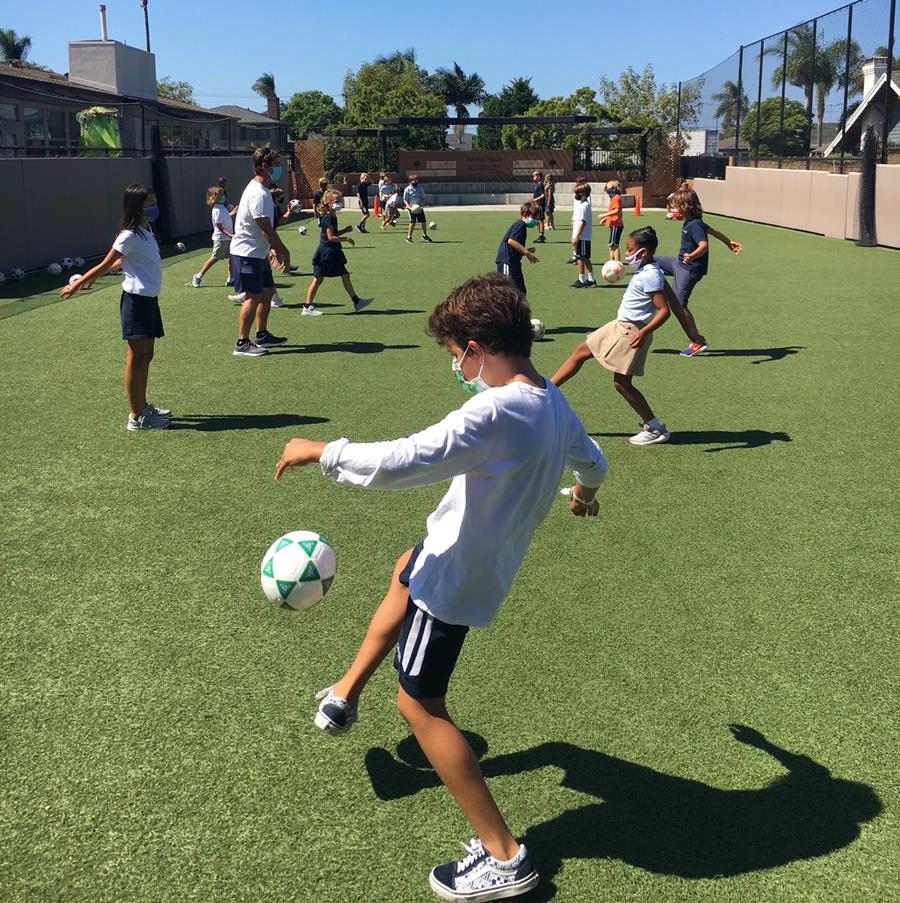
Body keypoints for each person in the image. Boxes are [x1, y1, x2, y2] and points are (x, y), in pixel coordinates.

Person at [275, 273, 607, 902]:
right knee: (407, 564)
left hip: (456, 580)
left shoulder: (495, 410)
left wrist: (319, 450)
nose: (458, 368)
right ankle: (344, 693)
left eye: (458, 356)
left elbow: (404, 461)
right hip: (458, 553)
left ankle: (504, 856)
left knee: (419, 705)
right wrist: (584, 495)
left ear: (478, 347)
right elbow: (594, 461)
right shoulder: (552, 403)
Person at [60, 183, 170, 431]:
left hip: (149, 299)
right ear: (136, 206)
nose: (154, 208)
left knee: (147, 355)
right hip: (136, 301)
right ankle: (135, 416)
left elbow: (121, 262)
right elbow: (105, 263)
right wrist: (78, 284)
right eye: (149, 204)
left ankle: (143, 406)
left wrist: (97, 277)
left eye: (154, 203)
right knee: (136, 357)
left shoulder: (146, 230)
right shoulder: (128, 235)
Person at [551, 226, 671, 446]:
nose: (626, 255)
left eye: (629, 250)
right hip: (619, 325)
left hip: (631, 332)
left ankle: (655, 427)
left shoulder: (652, 274)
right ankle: (545, 392)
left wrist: (644, 332)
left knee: (621, 384)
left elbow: (664, 311)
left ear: (643, 252)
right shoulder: (647, 270)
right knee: (580, 351)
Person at [655, 187, 742, 357]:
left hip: (689, 268)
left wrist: (691, 256)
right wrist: (728, 242)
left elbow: (704, 245)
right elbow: (713, 231)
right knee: (650, 261)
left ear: (685, 207)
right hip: (678, 263)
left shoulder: (694, 225)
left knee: (679, 304)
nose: (673, 211)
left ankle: (697, 341)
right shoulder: (695, 221)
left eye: (675, 207)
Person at [228, 146, 290, 357]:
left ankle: (261, 335)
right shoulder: (258, 194)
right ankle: (242, 343)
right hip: (247, 253)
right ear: (264, 167)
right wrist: (282, 250)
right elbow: (265, 228)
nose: (280, 168)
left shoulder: (261, 190)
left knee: (268, 291)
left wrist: (270, 249)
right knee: (253, 296)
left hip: (257, 252)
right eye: (276, 164)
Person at [302, 189, 372, 317]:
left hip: (332, 251)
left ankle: (357, 302)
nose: (339, 202)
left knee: (343, 275)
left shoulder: (331, 215)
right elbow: (330, 237)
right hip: (327, 252)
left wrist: (344, 230)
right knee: (318, 279)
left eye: (340, 200)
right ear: (328, 202)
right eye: (336, 200)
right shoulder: (328, 216)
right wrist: (346, 239)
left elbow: (333, 233)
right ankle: (307, 307)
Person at [495, 201, 541, 298]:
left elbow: (514, 244)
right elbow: (511, 241)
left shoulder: (522, 226)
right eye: (535, 217)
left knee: (520, 291)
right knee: (507, 291)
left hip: (514, 263)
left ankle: (518, 311)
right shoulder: (520, 225)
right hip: (507, 261)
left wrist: (525, 250)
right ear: (525, 215)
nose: (536, 221)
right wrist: (527, 253)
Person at [192, 186, 233, 289]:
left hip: (228, 238)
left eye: (224, 194)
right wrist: (229, 235)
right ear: (215, 197)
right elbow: (219, 226)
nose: (224, 196)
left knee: (233, 258)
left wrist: (234, 212)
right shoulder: (217, 210)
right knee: (215, 258)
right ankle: (199, 276)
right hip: (221, 239)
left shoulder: (223, 208)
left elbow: (226, 217)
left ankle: (230, 279)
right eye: (221, 195)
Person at [570, 181, 596, 288]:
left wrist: (577, 236)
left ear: (584, 193)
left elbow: (583, 222)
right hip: (581, 236)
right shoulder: (581, 205)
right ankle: (588, 279)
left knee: (582, 258)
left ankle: (585, 279)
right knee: (581, 257)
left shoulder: (585, 206)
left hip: (583, 237)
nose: (576, 195)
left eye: (579, 193)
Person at [600, 180, 624, 262]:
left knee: (614, 246)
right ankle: (612, 262)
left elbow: (616, 210)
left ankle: (616, 264)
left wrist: (604, 215)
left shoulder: (616, 198)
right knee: (611, 246)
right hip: (613, 224)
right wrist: (606, 219)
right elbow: (614, 212)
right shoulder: (613, 198)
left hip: (616, 225)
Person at [403, 175, 432, 243]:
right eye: (414, 181)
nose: (416, 182)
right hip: (411, 209)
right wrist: (409, 207)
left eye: (417, 180)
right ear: (410, 181)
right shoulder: (407, 189)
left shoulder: (420, 189)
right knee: (413, 222)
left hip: (419, 208)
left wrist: (421, 206)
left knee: (423, 221)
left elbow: (423, 198)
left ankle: (424, 235)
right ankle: (409, 237)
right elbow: (405, 199)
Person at [531, 170, 546, 243]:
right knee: (537, 220)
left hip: (540, 205)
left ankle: (541, 236)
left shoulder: (540, 185)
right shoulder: (537, 185)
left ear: (538, 176)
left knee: (540, 220)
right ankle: (540, 235)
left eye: (534, 175)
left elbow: (543, 195)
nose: (533, 177)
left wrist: (534, 200)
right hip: (537, 205)